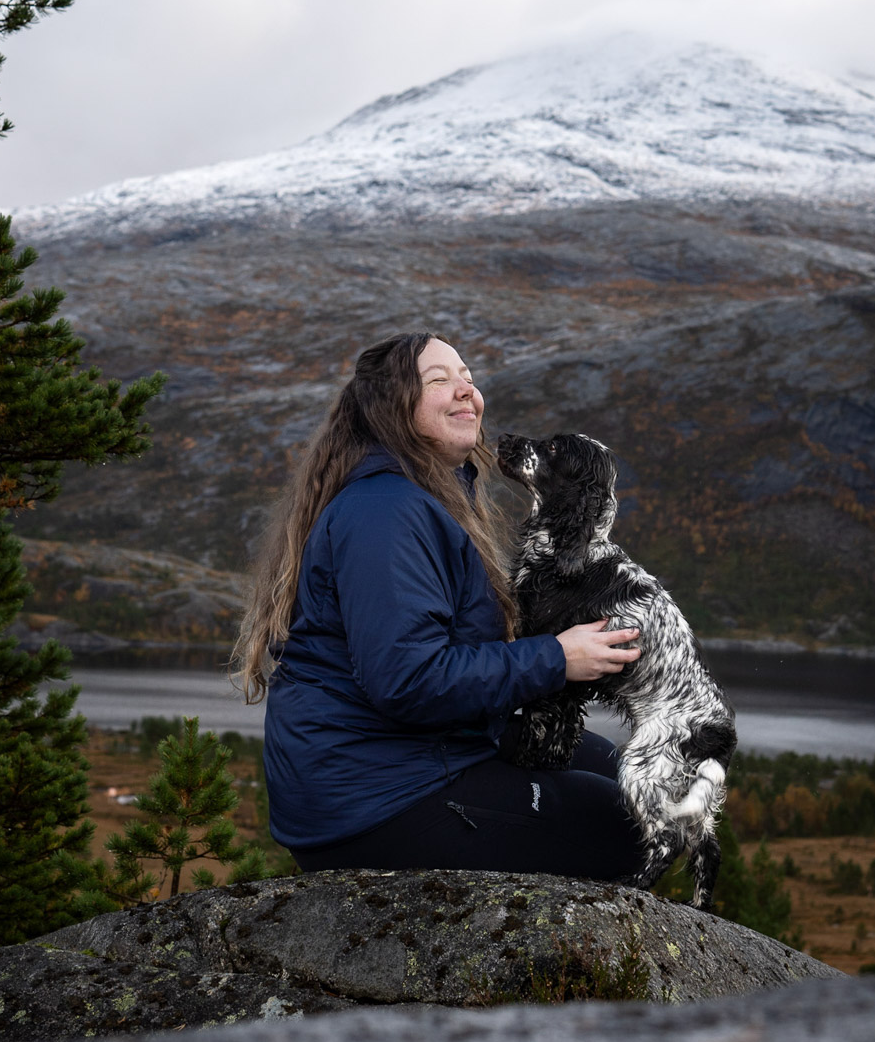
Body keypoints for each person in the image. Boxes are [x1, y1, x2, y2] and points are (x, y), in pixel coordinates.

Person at [233, 331, 647, 880]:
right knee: (633, 826)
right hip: (376, 800)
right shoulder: (385, 511)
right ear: (391, 408)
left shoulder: (423, 495)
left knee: (635, 777)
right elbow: (408, 679)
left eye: (468, 378)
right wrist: (556, 658)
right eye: (439, 380)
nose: (465, 390)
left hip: (419, 751)